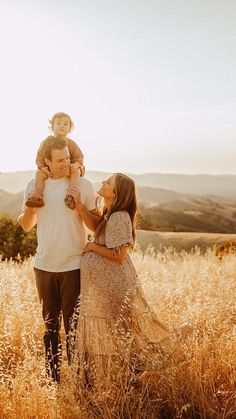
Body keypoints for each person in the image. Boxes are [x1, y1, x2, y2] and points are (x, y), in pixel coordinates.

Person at [70, 173, 169, 391]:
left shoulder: (119, 217)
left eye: (108, 182)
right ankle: (125, 380)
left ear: (116, 193)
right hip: (108, 285)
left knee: (122, 334)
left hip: (114, 285)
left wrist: (90, 247)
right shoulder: (110, 214)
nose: (103, 182)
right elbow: (99, 231)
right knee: (119, 334)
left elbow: (118, 254)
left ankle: (135, 379)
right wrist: (80, 208)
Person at [18, 136, 98, 382]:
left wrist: (81, 209)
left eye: (68, 158)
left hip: (74, 266)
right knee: (50, 328)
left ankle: (78, 380)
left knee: (74, 329)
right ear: (47, 163)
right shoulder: (34, 184)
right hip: (43, 267)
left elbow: (96, 227)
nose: (67, 163)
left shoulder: (84, 186)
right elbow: (26, 225)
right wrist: (31, 207)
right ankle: (53, 380)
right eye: (60, 160)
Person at [26, 112, 85, 210]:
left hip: (69, 169)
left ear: (70, 128)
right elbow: (40, 158)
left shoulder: (71, 144)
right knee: (39, 174)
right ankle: (37, 196)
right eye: (58, 123)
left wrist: (76, 165)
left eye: (66, 124)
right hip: (50, 170)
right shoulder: (45, 143)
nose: (62, 126)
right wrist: (43, 168)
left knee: (77, 171)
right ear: (52, 127)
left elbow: (79, 157)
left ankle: (70, 195)